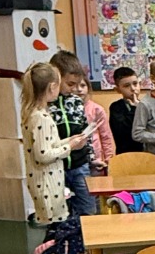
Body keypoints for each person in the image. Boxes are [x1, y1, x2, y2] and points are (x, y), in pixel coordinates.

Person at [21, 62, 88, 225]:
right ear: (52, 87)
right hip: (47, 184)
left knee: (56, 227)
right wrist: (70, 147)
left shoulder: (35, 113)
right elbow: (43, 155)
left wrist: (70, 140)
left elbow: (49, 144)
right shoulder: (40, 117)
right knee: (55, 228)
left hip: (47, 181)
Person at [48, 51, 96, 215]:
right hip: (56, 167)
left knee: (88, 208)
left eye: (77, 84)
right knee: (59, 212)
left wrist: (91, 157)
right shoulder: (46, 104)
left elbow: (85, 131)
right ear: (55, 79)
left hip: (80, 165)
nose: (74, 89)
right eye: (70, 84)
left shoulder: (76, 101)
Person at [76, 74, 114, 176]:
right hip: (77, 160)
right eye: (75, 86)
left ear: (88, 88)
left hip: (96, 160)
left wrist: (108, 159)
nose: (79, 90)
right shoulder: (69, 110)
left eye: (83, 86)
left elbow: (106, 136)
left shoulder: (97, 109)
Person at [108, 66, 143, 155]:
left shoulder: (146, 105)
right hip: (126, 154)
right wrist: (135, 109)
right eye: (126, 86)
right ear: (118, 89)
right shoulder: (116, 107)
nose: (133, 88)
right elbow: (124, 131)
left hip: (147, 153)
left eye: (135, 84)